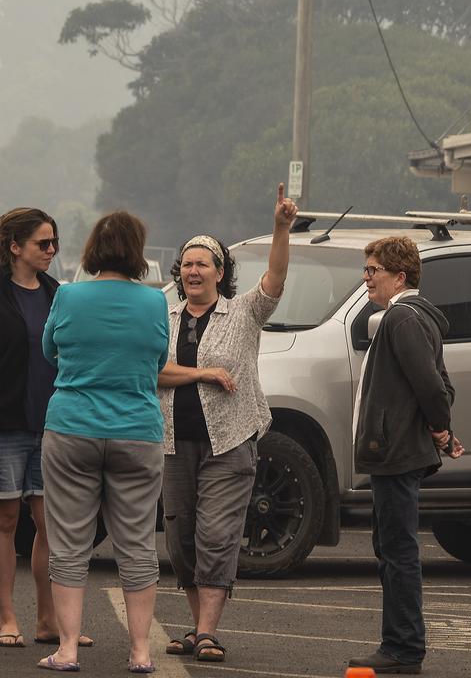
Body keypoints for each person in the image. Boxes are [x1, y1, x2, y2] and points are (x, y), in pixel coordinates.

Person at [158, 183, 297, 663]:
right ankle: (197, 628)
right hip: (173, 443)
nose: (194, 270)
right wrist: (200, 373)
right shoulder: (165, 316)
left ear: (221, 272)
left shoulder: (243, 313)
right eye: (188, 263)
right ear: (180, 272)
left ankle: (207, 631)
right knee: (180, 538)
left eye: (204, 263)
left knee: (216, 535)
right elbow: (151, 370)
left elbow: (275, 277)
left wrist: (281, 229)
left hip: (229, 444)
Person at [39, 210, 169, 673]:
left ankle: (68, 648)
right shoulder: (154, 303)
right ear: (137, 252)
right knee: (136, 543)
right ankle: (140, 650)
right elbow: (158, 360)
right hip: (137, 430)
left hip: (72, 426)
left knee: (70, 541)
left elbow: (49, 350)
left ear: (94, 248)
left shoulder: (68, 296)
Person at [0, 209, 88, 650]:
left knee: (50, 525)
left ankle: (49, 620)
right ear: (15, 248)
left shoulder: (56, 293)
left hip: (52, 425)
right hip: (2, 424)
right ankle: (7, 618)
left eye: (54, 243)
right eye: (43, 244)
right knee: (5, 518)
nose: (52, 251)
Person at [347, 236, 463, 675]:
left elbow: (433, 387)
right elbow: (442, 385)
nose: (366, 278)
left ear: (399, 276)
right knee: (392, 547)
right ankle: (399, 644)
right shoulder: (410, 319)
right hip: (397, 451)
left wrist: (439, 427)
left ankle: (403, 648)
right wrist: (443, 431)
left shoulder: (401, 318)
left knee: (397, 551)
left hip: (396, 453)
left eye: (372, 270)